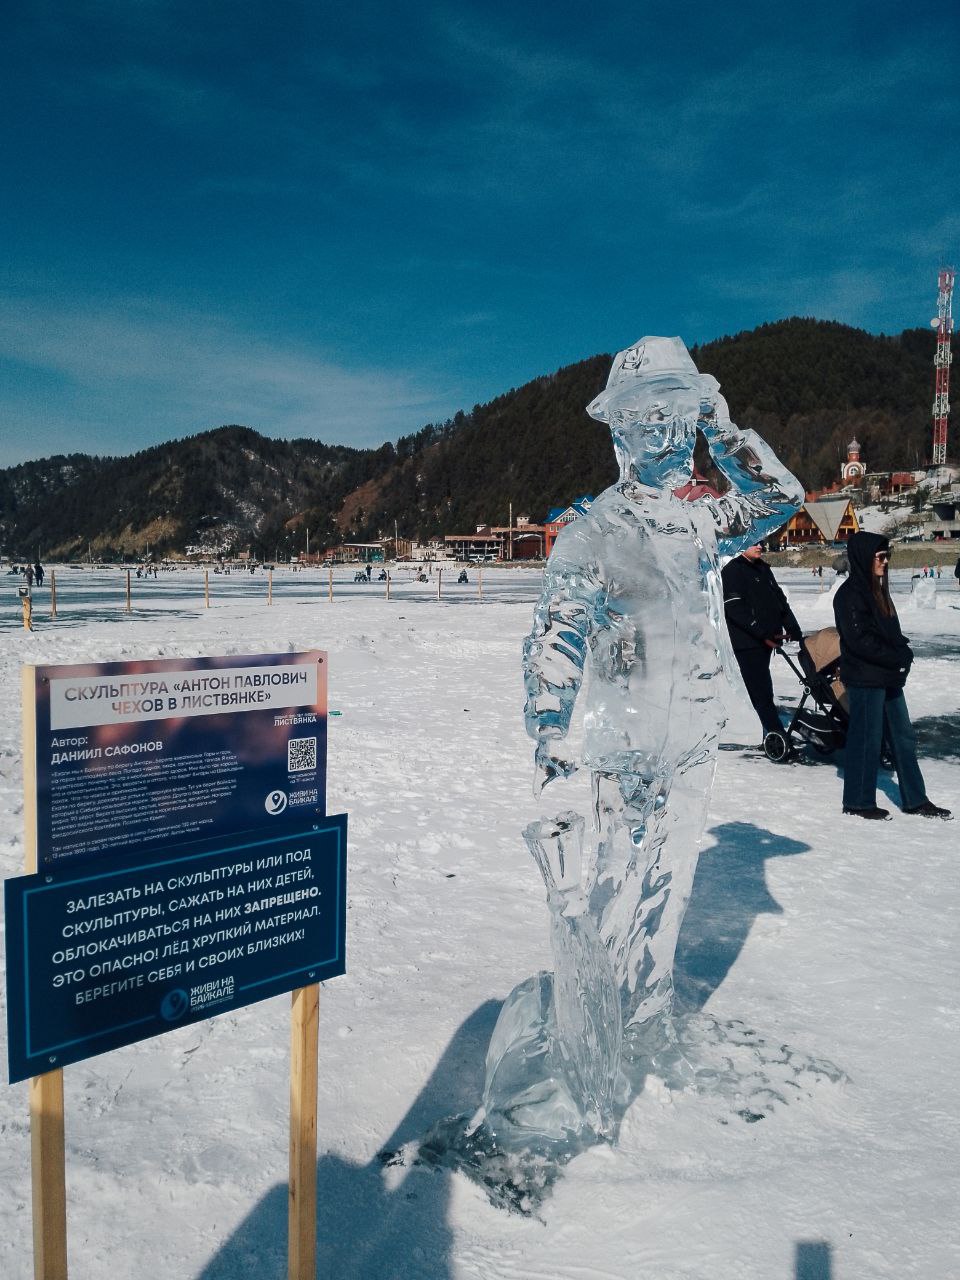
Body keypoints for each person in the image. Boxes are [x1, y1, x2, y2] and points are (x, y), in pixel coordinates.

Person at [833, 532, 951, 821]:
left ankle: (915, 799)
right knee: (866, 739)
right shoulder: (849, 595)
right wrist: (896, 657)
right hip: (865, 679)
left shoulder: (878, 592)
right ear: (864, 557)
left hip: (887, 677)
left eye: (887, 556)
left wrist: (902, 652)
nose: (885, 562)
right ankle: (858, 801)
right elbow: (860, 641)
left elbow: (889, 634)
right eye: (880, 557)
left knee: (903, 738)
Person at [722, 543, 802, 747]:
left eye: (762, 542)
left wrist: (792, 626)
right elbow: (734, 608)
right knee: (760, 691)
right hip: (748, 641)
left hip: (769, 638)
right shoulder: (733, 570)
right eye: (755, 542)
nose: (760, 546)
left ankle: (771, 731)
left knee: (765, 689)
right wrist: (760, 632)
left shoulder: (763, 568)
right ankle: (775, 735)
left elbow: (780, 601)